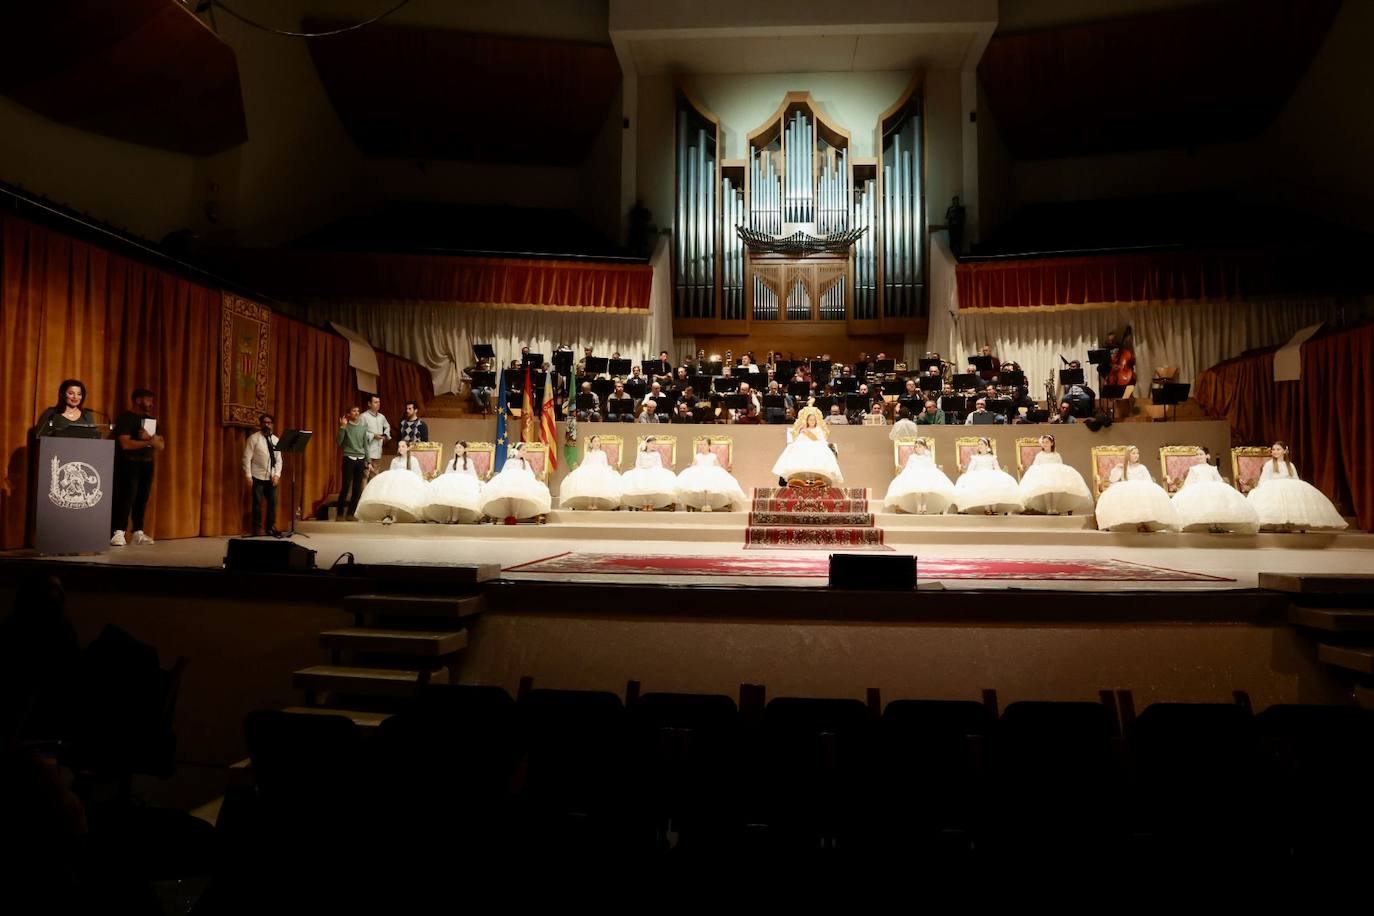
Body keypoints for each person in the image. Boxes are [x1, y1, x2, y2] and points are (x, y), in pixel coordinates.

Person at [1245, 441, 1347, 531]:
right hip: (1274, 486)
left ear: (1285, 451)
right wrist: (1260, 488)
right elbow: (1264, 479)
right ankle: (1279, 524)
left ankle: (1290, 523)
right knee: (1277, 501)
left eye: (1278, 449)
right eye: (1273, 449)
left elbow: (1295, 479)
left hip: (1289, 486)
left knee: (1292, 498)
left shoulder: (1290, 465)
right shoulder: (1269, 464)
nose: (1275, 451)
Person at [110, 388, 165, 547]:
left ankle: (137, 532)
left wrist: (151, 439)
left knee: (142, 498)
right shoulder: (126, 418)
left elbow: (161, 445)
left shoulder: (151, 420)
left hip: (147, 463)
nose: (152, 404)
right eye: (149, 400)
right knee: (126, 497)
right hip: (129, 463)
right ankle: (118, 532)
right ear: (138, 400)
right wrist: (149, 441)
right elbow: (125, 444)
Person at [1171, 448, 1259, 534]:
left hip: (1212, 487)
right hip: (1198, 488)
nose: (1198, 456)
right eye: (1196, 455)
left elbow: (1219, 481)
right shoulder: (1194, 469)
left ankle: (1217, 524)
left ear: (1207, 456)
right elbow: (1189, 483)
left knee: (1216, 501)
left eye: (1201, 454)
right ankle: (1209, 524)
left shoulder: (1213, 468)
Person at [1094, 445, 1179, 532]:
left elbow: (1148, 481)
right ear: (1128, 455)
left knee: (1142, 496)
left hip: (1141, 489)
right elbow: (1112, 479)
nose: (1136, 455)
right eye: (1133, 453)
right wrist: (1117, 468)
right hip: (1126, 489)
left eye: (1137, 453)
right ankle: (1132, 523)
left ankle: (1143, 522)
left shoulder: (1142, 467)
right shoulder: (1123, 467)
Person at [355, 441, 429, 524]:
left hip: (408, 483)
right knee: (391, 490)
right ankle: (390, 514)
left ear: (408, 448)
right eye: (399, 446)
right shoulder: (395, 460)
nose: (400, 448)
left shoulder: (413, 460)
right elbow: (391, 474)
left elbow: (417, 474)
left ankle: (410, 514)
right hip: (397, 483)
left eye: (403, 446)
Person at [1018, 434, 1093, 515]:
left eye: (1047, 442)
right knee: (1046, 488)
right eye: (1043, 442)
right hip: (1043, 476)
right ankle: (1048, 507)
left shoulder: (1056, 455)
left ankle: (1054, 507)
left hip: (1055, 477)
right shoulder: (1040, 455)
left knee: (1056, 487)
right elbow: (1036, 466)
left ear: (1052, 443)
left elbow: (1060, 467)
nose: (1045, 444)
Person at [772, 405, 844, 487]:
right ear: (807, 421)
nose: (812, 421)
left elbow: (819, 440)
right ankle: (797, 480)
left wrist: (808, 433)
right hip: (803, 446)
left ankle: (818, 480)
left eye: (814, 420)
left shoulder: (818, 429)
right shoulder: (803, 430)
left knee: (819, 453)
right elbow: (799, 440)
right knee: (794, 449)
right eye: (810, 420)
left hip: (817, 446)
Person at [480, 442, 551, 522]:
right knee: (511, 492)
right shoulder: (509, 461)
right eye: (523, 450)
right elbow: (504, 473)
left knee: (520, 492)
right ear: (516, 451)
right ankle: (510, 514)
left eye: (526, 450)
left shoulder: (525, 463)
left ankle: (515, 514)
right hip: (510, 482)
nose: (525, 452)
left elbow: (530, 474)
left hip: (522, 483)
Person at [952, 437, 1023, 515]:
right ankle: (987, 508)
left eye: (981, 444)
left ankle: (993, 507)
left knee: (994, 483)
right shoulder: (975, 458)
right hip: (979, 474)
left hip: (991, 474)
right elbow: (970, 470)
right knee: (983, 483)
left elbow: (997, 469)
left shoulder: (992, 457)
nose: (979, 446)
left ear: (987, 446)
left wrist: (1002, 474)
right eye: (978, 444)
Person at [884, 439, 955, 515]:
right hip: (915, 474)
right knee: (917, 489)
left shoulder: (928, 457)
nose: (918, 448)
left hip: (926, 475)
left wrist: (931, 473)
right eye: (916, 447)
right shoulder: (912, 457)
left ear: (924, 447)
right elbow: (909, 467)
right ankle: (919, 506)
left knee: (926, 490)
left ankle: (924, 506)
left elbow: (931, 467)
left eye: (920, 446)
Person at [675, 438, 747, 512]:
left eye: (704, 445)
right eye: (701, 445)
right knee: (699, 483)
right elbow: (693, 466)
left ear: (709, 446)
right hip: (699, 474)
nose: (702, 446)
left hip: (711, 474)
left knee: (710, 483)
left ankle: (708, 504)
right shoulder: (698, 456)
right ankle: (702, 504)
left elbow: (718, 467)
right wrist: (691, 467)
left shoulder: (713, 456)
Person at [243, 413, 283, 536]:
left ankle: (270, 527)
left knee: (272, 503)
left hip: (271, 478)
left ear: (272, 425)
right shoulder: (253, 439)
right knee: (257, 504)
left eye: (269, 423)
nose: (267, 425)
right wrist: (248, 475)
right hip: (257, 476)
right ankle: (256, 529)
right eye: (264, 422)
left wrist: (277, 475)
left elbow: (279, 460)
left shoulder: (276, 440)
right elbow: (246, 458)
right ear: (261, 424)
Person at [425, 441, 485, 523]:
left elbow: (472, 473)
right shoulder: (452, 461)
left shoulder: (469, 461)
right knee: (450, 491)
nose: (457, 449)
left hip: (464, 482)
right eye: (456, 448)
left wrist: (477, 483)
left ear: (465, 449)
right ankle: (451, 514)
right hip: (453, 482)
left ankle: (455, 517)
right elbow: (447, 474)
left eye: (460, 447)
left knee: (456, 493)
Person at [559, 435, 623, 510]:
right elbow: (583, 465)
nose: (597, 443)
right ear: (591, 444)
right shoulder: (588, 454)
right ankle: (589, 503)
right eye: (595, 441)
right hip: (589, 470)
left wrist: (609, 471)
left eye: (598, 441)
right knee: (589, 480)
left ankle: (595, 503)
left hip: (600, 470)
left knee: (597, 481)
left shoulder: (602, 454)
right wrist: (575, 471)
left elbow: (605, 465)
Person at [620, 437, 678, 510]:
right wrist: (643, 467)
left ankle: (650, 503)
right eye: (652, 443)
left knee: (652, 482)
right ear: (647, 443)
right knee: (640, 480)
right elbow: (638, 464)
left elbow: (659, 465)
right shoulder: (641, 453)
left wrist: (651, 467)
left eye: (655, 444)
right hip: (642, 470)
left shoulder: (656, 454)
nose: (654, 445)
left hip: (653, 470)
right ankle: (644, 502)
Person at [336, 405, 368, 521]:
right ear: (349, 414)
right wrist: (342, 427)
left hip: (360, 459)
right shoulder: (346, 426)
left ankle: (351, 513)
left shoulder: (363, 427)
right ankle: (339, 514)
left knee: (357, 488)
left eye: (358, 411)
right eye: (353, 411)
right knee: (345, 486)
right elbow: (339, 442)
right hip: (348, 458)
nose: (356, 413)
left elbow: (365, 445)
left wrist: (368, 461)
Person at [360, 394, 391, 477]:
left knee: (375, 476)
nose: (378, 404)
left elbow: (387, 426)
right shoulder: (363, 416)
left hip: (378, 451)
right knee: (365, 476)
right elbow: (360, 433)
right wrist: (373, 435)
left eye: (379, 402)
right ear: (369, 404)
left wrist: (385, 435)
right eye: (375, 402)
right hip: (367, 452)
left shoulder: (382, 417)